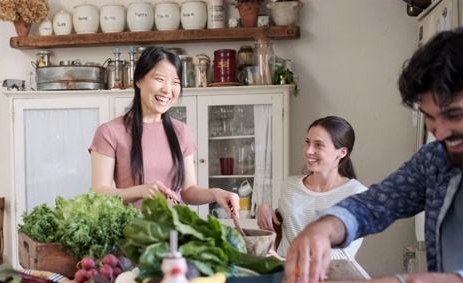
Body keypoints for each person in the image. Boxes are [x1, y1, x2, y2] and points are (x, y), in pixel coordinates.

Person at [285, 29, 463, 283]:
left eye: (453, 115)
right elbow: (378, 203)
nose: (438, 132)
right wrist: (323, 228)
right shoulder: (436, 158)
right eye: (430, 118)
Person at [89, 46, 239, 214]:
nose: (168, 89)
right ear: (138, 80)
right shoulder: (109, 132)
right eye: (160, 79)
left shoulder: (182, 132)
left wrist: (216, 193)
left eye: (175, 82)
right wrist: (140, 191)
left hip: (175, 233)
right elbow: (99, 193)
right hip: (131, 235)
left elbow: (188, 191)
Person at [256, 116, 367, 260]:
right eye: (307, 142)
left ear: (342, 152)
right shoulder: (290, 185)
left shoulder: (357, 195)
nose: (308, 151)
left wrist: (289, 260)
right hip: (287, 274)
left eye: (318, 145)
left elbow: (343, 255)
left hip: (333, 276)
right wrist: (264, 208)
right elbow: (285, 220)